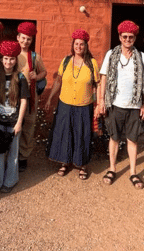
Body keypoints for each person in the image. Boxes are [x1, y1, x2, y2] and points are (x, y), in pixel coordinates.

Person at [96, 20, 144, 189]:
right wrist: (101, 101)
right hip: (115, 104)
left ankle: (133, 172)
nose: (128, 39)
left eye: (131, 37)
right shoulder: (111, 55)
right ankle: (112, 168)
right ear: (119, 37)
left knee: (132, 139)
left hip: (134, 105)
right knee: (114, 137)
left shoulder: (141, 57)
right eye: (125, 36)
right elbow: (103, 78)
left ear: (135, 38)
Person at [45, 29, 99, 180]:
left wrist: (98, 103)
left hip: (84, 105)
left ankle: (82, 165)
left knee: (81, 134)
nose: (79, 47)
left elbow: (97, 84)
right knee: (65, 133)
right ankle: (65, 162)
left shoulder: (92, 63)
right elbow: (58, 81)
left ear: (86, 46)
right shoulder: (66, 61)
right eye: (76, 44)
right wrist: (50, 99)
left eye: (82, 44)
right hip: (65, 104)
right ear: (73, 45)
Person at [0, 40, 29, 193]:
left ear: (16, 60)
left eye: (11, 59)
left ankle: (11, 180)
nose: (8, 62)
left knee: (12, 152)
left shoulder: (21, 78)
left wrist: (18, 123)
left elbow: (24, 101)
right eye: (5, 58)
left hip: (13, 121)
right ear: (1, 59)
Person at [16, 21, 47, 172]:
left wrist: (37, 75)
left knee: (28, 127)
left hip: (30, 97)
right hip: (13, 97)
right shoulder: (11, 54)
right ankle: (12, 155)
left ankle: (23, 157)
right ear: (18, 37)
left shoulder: (35, 57)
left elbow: (44, 73)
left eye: (28, 39)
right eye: (23, 38)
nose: (25, 41)